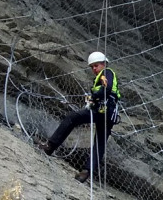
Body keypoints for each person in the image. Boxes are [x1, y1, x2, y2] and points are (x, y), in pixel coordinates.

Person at [37, 51, 120, 183]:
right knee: (99, 143)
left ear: (104, 64)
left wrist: (94, 96)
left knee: (72, 118)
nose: (94, 69)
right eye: (92, 66)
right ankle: (86, 172)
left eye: (96, 65)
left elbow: (107, 88)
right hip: (109, 113)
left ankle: (50, 146)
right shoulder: (103, 75)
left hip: (102, 110)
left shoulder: (106, 73)